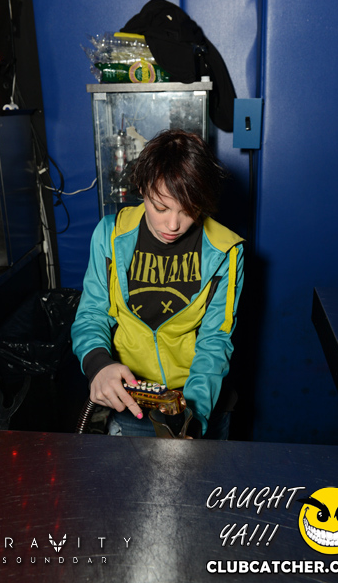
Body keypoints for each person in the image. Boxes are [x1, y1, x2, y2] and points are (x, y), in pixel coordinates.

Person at [71, 129, 244, 439]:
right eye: (161, 207)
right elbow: (92, 314)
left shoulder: (225, 250)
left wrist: (193, 417)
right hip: (132, 403)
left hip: (198, 404)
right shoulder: (110, 235)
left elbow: (215, 341)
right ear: (142, 188)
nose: (173, 224)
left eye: (189, 209)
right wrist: (98, 364)